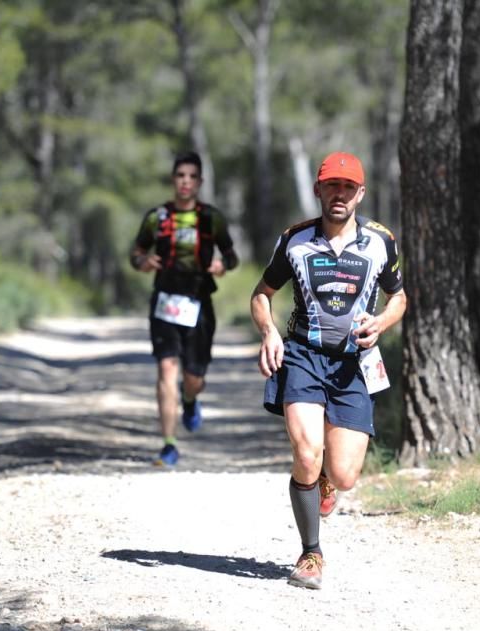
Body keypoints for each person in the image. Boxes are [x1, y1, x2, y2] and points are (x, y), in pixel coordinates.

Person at [249, 151, 406, 589]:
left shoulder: (380, 242)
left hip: (353, 364)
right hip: (303, 354)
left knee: (345, 475)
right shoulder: (295, 241)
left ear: (361, 193)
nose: (339, 194)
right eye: (331, 186)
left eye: (348, 187)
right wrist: (269, 332)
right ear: (318, 190)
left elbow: (399, 297)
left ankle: (325, 480)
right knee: (305, 452)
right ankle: (310, 554)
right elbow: (261, 294)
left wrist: (382, 322)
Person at [130, 151, 238, 466]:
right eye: (181, 176)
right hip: (164, 301)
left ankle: (189, 398)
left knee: (193, 376)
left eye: (192, 176)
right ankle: (169, 443)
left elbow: (232, 256)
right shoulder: (157, 217)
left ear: (200, 182)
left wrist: (221, 265)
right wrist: (144, 262)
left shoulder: (211, 218)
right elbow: (136, 253)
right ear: (173, 180)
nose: (186, 182)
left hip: (199, 303)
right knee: (166, 368)